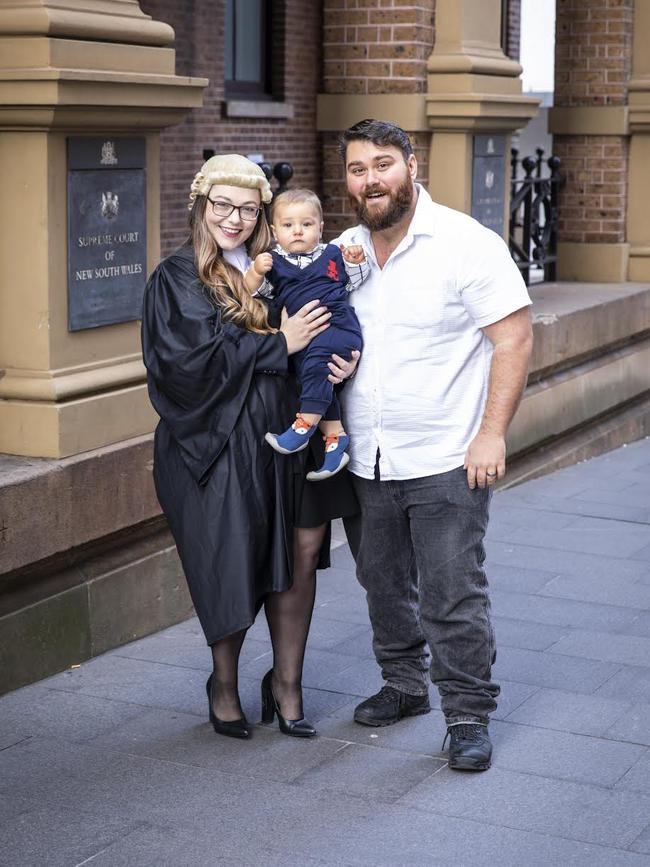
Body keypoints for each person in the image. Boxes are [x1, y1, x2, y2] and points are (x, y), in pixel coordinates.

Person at [335, 119, 533, 771]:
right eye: (358, 168)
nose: (371, 179)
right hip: (366, 457)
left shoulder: (463, 243)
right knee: (382, 582)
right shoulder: (343, 253)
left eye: (383, 164)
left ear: (412, 165)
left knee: (452, 590)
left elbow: (513, 337)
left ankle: (468, 712)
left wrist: (492, 432)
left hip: (448, 455)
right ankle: (404, 684)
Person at [141, 154, 359, 741]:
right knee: (233, 557)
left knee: (299, 557)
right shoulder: (180, 277)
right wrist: (278, 344)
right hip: (219, 443)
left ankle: (288, 684)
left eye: (247, 208)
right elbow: (183, 364)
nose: (234, 219)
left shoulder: (285, 267)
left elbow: (337, 316)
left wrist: (345, 353)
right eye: (223, 206)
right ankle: (225, 682)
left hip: (294, 432)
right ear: (201, 207)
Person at [244, 188, 367, 481]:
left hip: (336, 327)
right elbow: (252, 292)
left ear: (321, 228)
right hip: (306, 340)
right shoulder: (273, 262)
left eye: (307, 224)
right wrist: (256, 273)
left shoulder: (333, 254)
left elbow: (354, 282)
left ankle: (303, 426)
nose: (297, 231)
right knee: (316, 381)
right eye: (288, 225)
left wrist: (354, 261)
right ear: (275, 231)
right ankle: (335, 440)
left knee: (315, 372)